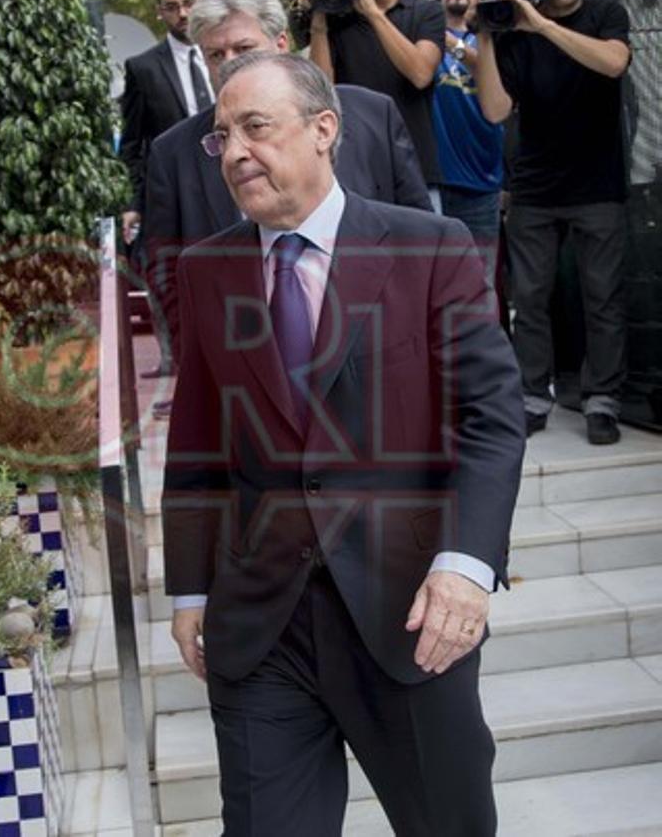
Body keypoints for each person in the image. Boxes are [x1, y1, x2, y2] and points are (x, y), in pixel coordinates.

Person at [163, 51, 525, 835]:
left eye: (256, 128)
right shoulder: (206, 270)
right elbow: (197, 439)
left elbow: (491, 417)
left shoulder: (429, 248)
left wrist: (466, 566)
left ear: (323, 129)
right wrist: (190, 589)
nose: (234, 152)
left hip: (410, 615)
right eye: (222, 136)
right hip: (264, 627)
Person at [142, 0, 431, 415]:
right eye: (215, 55)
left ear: (282, 45)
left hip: (379, 376)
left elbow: (417, 241)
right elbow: (165, 270)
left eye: (244, 49)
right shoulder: (174, 152)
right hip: (251, 389)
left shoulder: (371, 115)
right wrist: (205, 362)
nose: (230, 64)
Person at [471, 0, 631, 445]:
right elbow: (495, 110)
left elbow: (613, 63)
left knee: (602, 298)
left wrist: (541, 25)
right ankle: (533, 397)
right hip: (535, 187)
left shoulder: (606, 14)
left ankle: (602, 400)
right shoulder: (514, 32)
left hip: (598, 183)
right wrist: (485, 35)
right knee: (530, 299)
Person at [120, 0, 213, 378]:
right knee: (169, 274)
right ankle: (176, 363)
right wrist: (132, 203)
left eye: (189, 3)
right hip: (173, 190)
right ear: (160, 12)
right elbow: (132, 144)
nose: (183, 13)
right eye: (172, 7)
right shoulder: (142, 68)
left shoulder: (225, 51)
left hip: (232, 180)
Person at [298, 0, 447, 205]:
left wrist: (373, 13)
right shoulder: (338, 19)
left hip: (417, 171)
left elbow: (421, 74)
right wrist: (319, 20)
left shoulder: (427, 12)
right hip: (355, 173)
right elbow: (321, 93)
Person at [431, 0, 505, 287]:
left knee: (478, 288)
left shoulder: (495, 38)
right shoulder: (422, 35)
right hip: (432, 184)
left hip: (482, 185)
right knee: (431, 287)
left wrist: (454, 45)